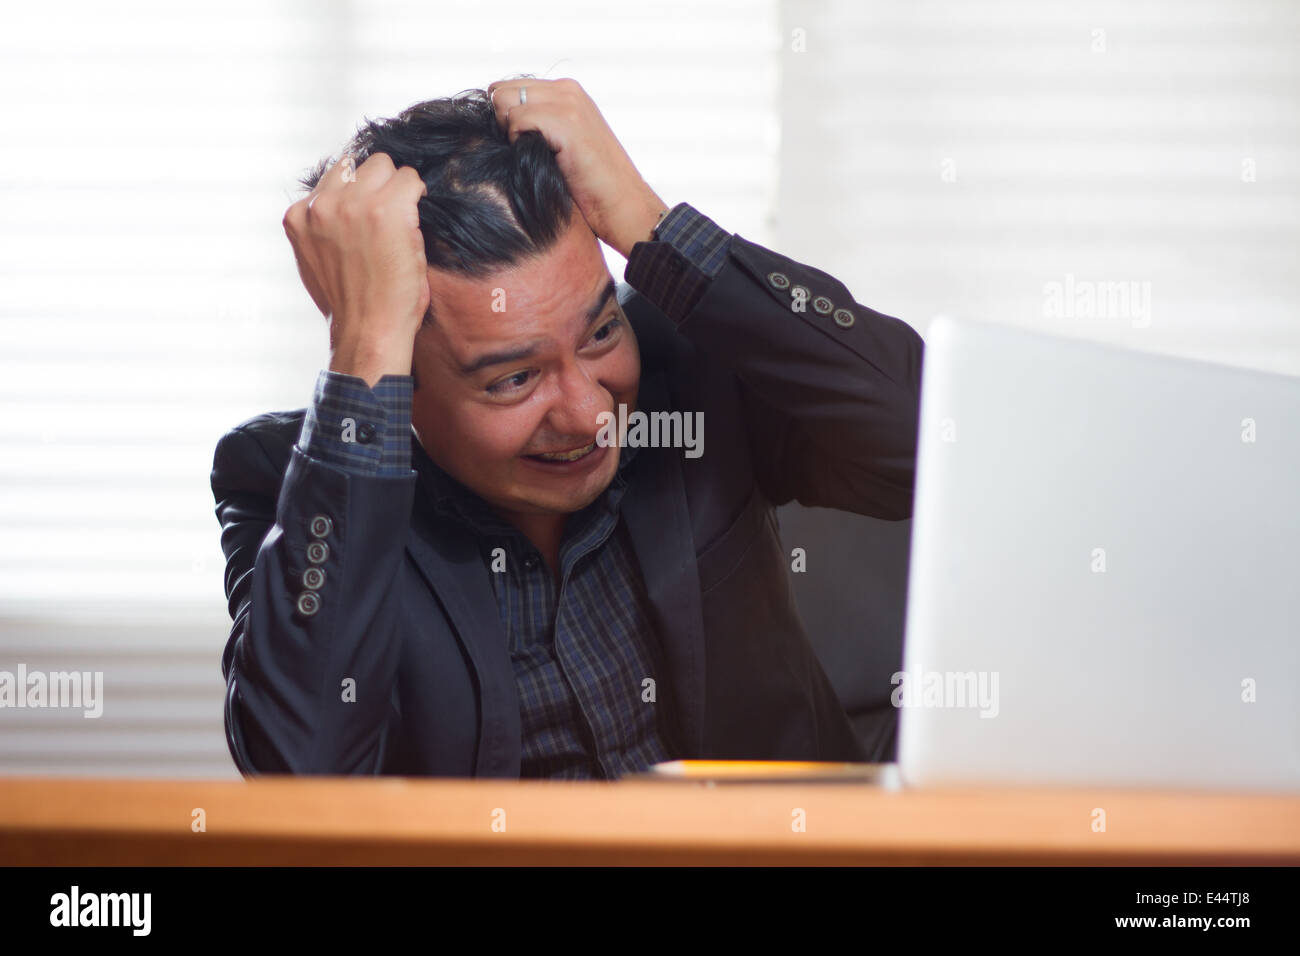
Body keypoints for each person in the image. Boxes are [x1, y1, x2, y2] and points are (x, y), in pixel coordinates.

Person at [210, 77, 924, 778]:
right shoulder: (286, 484)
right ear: (404, 378)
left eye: (600, 333)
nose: (590, 415)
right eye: (513, 379)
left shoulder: (696, 369)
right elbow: (302, 771)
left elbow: (932, 446)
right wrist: (364, 347)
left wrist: (653, 226)